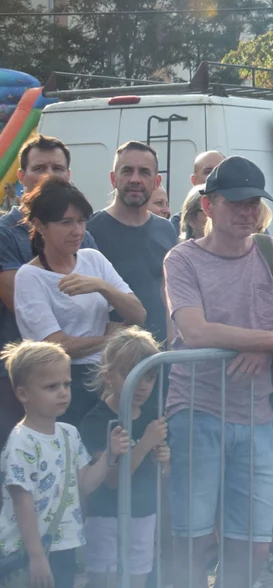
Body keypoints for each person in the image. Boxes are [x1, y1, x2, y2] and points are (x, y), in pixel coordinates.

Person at [163, 156, 273, 588]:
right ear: (208, 205)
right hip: (195, 409)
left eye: (253, 202)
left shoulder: (272, 250)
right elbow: (193, 331)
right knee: (193, 539)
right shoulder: (181, 259)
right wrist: (269, 341)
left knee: (253, 544)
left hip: (257, 417)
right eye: (236, 203)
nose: (247, 212)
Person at [14, 178, 146, 425]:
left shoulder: (93, 259)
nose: (77, 231)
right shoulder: (29, 277)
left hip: (105, 379)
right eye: (66, 223)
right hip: (62, 386)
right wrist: (110, 339)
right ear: (39, 225)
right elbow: (56, 346)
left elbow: (138, 313)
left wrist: (101, 286)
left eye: (81, 221)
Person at [0, 340, 130, 588]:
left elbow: (85, 483)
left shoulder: (68, 433)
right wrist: (36, 557)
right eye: (51, 386)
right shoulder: (21, 442)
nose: (63, 392)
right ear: (23, 393)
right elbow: (22, 502)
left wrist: (108, 456)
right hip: (27, 551)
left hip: (65, 545)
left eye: (66, 384)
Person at [0, 136, 99, 447]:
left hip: (75, 377)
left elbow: (101, 300)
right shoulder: (5, 234)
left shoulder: (83, 235)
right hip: (20, 382)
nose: (48, 175)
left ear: (68, 175)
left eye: (57, 168)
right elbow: (21, 302)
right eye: (38, 168)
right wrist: (104, 334)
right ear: (21, 177)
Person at [80, 328, 168, 588]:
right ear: (108, 376)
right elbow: (114, 481)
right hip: (105, 519)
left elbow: (163, 475)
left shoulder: (153, 414)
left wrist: (164, 461)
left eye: (149, 377)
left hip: (144, 515)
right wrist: (145, 444)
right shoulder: (96, 421)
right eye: (132, 375)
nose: (142, 386)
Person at [87, 141, 179, 345]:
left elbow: (170, 294)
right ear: (113, 178)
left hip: (159, 357)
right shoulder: (89, 231)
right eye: (127, 171)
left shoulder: (166, 229)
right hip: (109, 361)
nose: (135, 179)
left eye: (144, 172)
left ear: (156, 181)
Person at [170, 151, 225, 234]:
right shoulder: (177, 224)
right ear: (194, 180)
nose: (215, 177)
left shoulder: (241, 217)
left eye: (220, 171)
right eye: (208, 172)